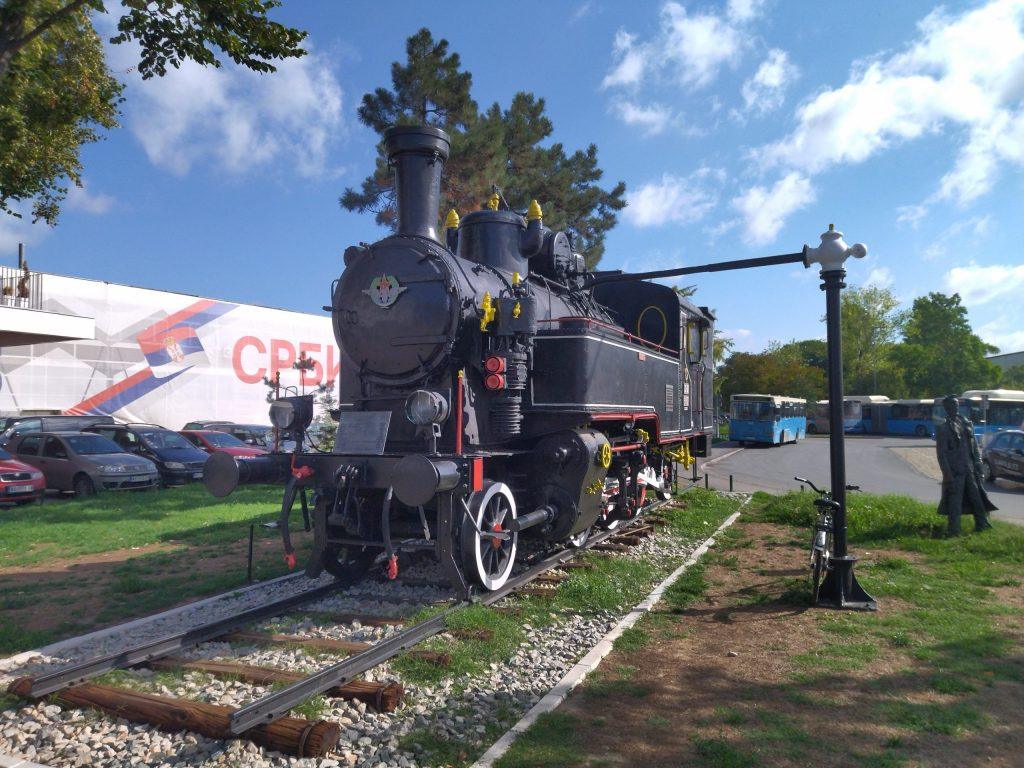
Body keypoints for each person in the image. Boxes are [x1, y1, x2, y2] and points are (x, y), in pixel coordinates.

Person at [935, 395, 996, 535]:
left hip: (970, 469)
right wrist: (947, 474)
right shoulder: (943, 428)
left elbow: (974, 447)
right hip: (955, 472)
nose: (956, 407)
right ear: (946, 408)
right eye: (953, 405)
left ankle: (982, 524)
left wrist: (979, 466)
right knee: (955, 502)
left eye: (957, 405)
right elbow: (941, 454)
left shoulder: (966, 423)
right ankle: (954, 530)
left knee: (978, 498)